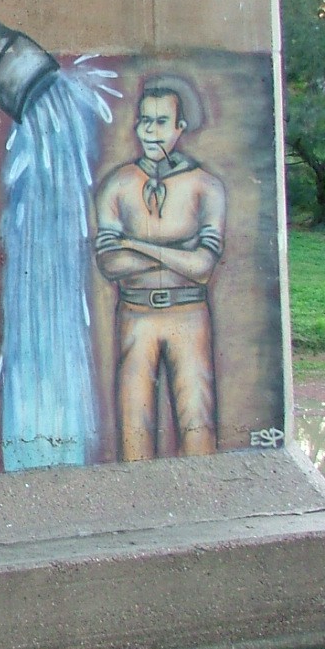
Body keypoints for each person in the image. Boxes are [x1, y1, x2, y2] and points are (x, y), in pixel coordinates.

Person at [94, 76, 226, 460]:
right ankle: (137, 493)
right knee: (134, 422)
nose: (150, 131)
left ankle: (202, 492)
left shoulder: (206, 186)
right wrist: (177, 250)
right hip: (135, 314)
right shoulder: (118, 184)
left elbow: (202, 267)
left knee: (196, 417)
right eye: (144, 121)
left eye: (161, 121)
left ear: (180, 127)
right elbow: (110, 263)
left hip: (190, 314)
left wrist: (134, 243)